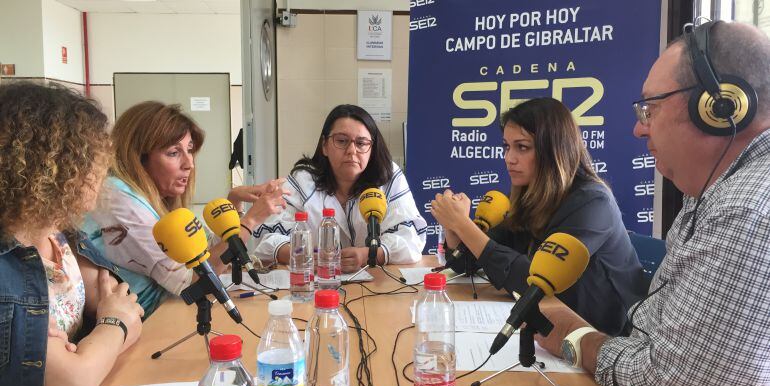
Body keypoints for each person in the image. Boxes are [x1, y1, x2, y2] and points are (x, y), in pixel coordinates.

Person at [534, 21, 770, 386]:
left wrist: (579, 339)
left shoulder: (749, 209)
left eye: (650, 108)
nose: (639, 129)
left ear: (720, 106)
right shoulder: (708, 194)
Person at [431, 97, 647, 336]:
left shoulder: (593, 203)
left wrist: (464, 225)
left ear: (554, 149)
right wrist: (453, 226)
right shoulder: (529, 195)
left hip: (602, 338)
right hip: (556, 326)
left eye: (522, 147)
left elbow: (536, 282)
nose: (509, 158)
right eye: (506, 146)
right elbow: (468, 264)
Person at [0, 82, 144, 386]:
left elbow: (130, 309)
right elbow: (74, 383)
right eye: (91, 159)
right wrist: (113, 327)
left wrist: (99, 346)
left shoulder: (62, 236)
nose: (101, 173)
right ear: (50, 165)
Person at [83, 101, 286, 316]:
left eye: (189, 150)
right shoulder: (119, 198)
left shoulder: (156, 198)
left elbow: (201, 254)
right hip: (148, 323)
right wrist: (250, 222)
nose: (189, 163)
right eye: (173, 153)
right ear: (138, 158)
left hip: (164, 313)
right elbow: (194, 281)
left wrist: (233, 205)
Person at [252, 104, 426, 271]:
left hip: (376, 282)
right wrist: (303, 256)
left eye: (361, 143)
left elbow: (412, 239)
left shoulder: (388, 177)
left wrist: (369, 255)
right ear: (325, 146)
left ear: (371, 149)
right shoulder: (304, 181)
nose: (352, 150)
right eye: (342, 141)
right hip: (317, 283)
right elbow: (268, 238)